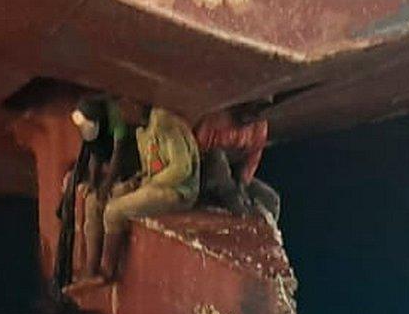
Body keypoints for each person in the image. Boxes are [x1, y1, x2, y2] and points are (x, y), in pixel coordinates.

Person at [98, 107, 200, 281]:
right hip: (157, 185)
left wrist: (151, 183)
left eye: (122, 105)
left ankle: (106, 273)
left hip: (179, 191)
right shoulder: (141, 131)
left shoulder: (164, 121)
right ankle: (99, 264)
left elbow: (181, 169)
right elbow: (150, 168)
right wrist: (138, 180)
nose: (120, 113)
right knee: (114, 194)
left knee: (113, 211)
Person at [71, 96, 139, 281]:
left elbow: (119, 154)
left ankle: (106, 270)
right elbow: (95, 152)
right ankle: (91, 266)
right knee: (92, 203)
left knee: (113, 204)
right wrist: (94, 183)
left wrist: (106, 186)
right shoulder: (91, 126)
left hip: (132, 173)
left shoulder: (116, 120)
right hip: (113, 175)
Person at [194, 110, 280, 221]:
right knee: (219, 161)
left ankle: (265, 231)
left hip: (233, 177)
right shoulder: (217, 118)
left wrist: (241, 187)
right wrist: (231, 193)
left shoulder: (260, 128)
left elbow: (250, 163)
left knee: (271, 199)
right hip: (204, 173)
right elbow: (203, 153)